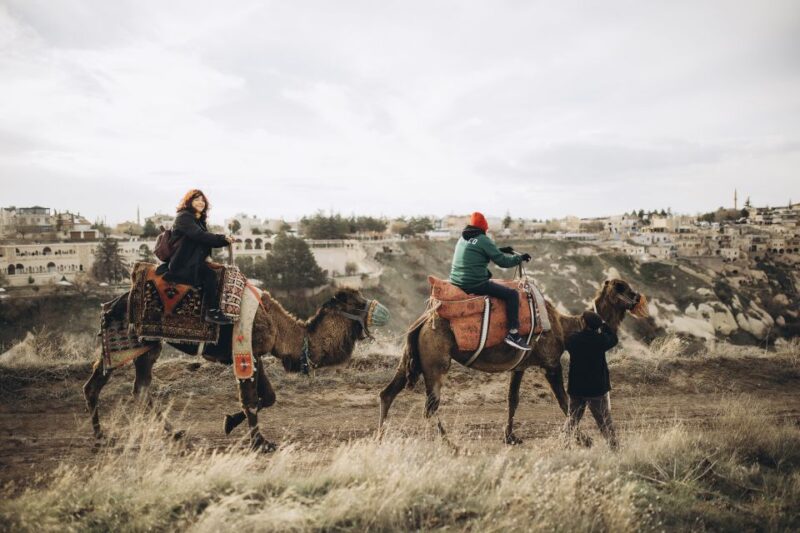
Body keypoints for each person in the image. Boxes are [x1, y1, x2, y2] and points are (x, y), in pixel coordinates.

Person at [448, 211, 532, 350]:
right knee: (512, 295)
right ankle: (513, 334)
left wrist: (500, 250)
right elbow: (503, 262)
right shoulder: (483, 239)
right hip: (474, 284)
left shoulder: (463, 238)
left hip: (456, 281)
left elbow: (478, 250)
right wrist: (520, 258)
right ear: (483, 227)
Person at [155, 189, 234, 325]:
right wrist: (223, 239)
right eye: (196, 199)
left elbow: (204, 240)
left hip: (192, 261)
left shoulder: (198, 221)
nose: (200, 202)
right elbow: (200, 236)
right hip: (183, 263)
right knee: (210, 276)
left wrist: (223, 240)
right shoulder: (184, 217)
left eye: (202, 200)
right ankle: (212, 311)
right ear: (189, 202)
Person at [562, 310, 619, 450]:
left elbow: (567, 340)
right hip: (597, 389)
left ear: (584, 323)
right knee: (604, 421)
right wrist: (604, 326)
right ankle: (614, 448)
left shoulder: (573, 339)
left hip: (577, 388)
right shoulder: (601, 340)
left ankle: (564, 444)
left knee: (572, 418)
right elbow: (614, 338)